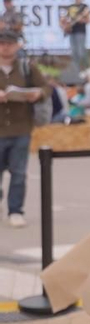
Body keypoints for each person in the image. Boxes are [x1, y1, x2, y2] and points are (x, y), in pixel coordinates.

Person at [0, 30, 45, 226]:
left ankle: (15, 210)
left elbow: (45, 87)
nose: (5, 47)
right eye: (2, 43)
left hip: (21, 127)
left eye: (9, 43)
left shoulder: (27, 68)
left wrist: (37, 94)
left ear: (17, 45)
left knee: (18, 173)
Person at [59, 0, 90, 72]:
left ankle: (87, 70)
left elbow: (89, 20)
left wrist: (82, 20)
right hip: (72, 32)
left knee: (81, 52)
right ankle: (76, 72)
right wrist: (64, 25)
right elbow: (65, 19)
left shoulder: (84, 7)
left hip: (80, 32)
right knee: (74, 53)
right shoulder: (70, 7)